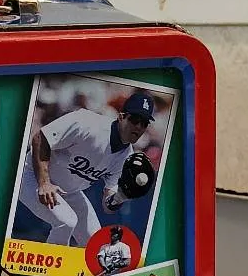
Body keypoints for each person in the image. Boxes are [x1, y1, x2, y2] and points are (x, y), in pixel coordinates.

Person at [16, 90, 156, 247]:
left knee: (96, 243)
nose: (138, 126)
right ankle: (52, 262)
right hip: (30, 176)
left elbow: (107, 204)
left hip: (69, 191)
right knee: (67, 222)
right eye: (135, 119)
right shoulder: (87, 123)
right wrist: (44, 183)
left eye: (144, 123)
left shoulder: (126, 157)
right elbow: (40, 138)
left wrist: (120, 197)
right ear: (121, 116)